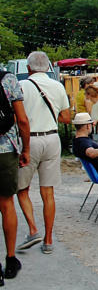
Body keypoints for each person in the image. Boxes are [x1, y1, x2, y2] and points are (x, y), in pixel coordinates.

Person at [17, 51, 71, 255]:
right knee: (48, 192)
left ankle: (32, 229)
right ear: (48, 67)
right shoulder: (57, 86)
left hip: (29, 138)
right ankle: (48, 240)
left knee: (22, 188)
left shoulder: (22, 86)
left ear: (28, 68)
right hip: (52, 138)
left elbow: (17, 119)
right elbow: (66, 118)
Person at [0, 69, 30, 279]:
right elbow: (22, 120)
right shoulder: (7, 78)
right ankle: (10, 259)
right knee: (6, 203)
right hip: (4, 149)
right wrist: (26, 148)